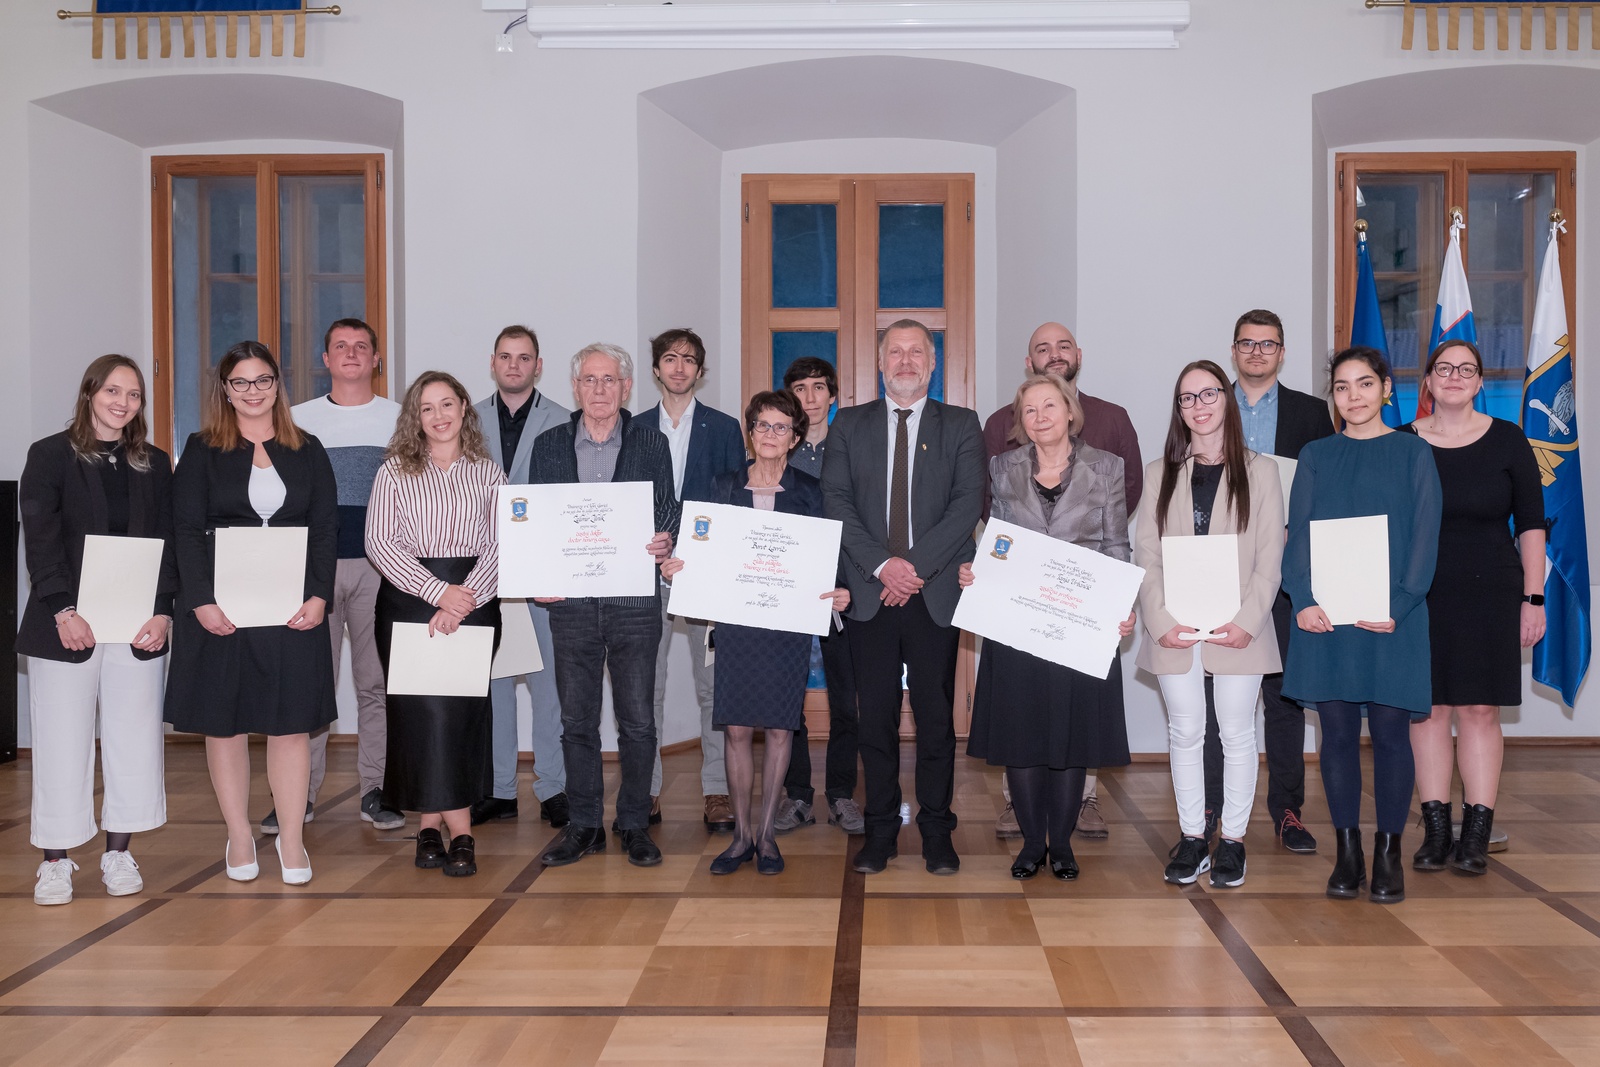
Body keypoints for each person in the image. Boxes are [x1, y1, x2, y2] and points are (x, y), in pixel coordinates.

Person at [165, 341, 338, 887]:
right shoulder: (201, 448)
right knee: (227, 724)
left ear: (277, 385)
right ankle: (240, 834)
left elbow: (326, 529)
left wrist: (319, 595)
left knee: (290, 726)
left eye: (262, 380)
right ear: (225, 390)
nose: (253, 392)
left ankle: (291, 839)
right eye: (241, 383)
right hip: (222, 611)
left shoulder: (308, 448)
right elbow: (185, 530)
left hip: (292, 609)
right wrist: (200, 602)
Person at [660, 391, 850, 875]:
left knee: (782, 728)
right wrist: (676, 567)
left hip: (787, 625)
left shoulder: (811, 491)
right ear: (750, 432)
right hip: (736, 624)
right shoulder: (721, 486)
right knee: (739, 727)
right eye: (762, 426)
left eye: (780, 427)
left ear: (794, 436)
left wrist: (839, 589)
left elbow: (828, 555)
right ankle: (740, 837)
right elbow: (695, 549)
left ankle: (767, 837)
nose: (770, 435)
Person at [822, 318, 985, 876]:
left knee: (937, 720)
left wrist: (911, 567)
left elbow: (967, 506)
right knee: (876, 721)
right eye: (897, 352)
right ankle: (881, 831)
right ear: (881, 362)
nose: (907, 361)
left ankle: (937, 830)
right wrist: (884, 566)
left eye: (918, 352)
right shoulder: (848, 424)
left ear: (933, 363)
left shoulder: (962, 425)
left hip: (933, 593)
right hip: (870, 594)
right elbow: (837, 502)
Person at [1282, 346, 1441, 905]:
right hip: (1327, 619)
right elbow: (1296, 533)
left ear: (1386, 390)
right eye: (1343, 387)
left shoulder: (1413, 454)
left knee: (1395, 735)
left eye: (1365, 384)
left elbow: (1425, 536)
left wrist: (1400, 602)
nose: (1354, 396)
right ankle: (1347, 852)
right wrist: (1301, 598)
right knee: (1339, 736)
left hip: (1395, 619)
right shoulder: (1316, 454)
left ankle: (1389, 852)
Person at [962, 374, 1134, 880]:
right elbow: (995, 539)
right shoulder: (1001, 467)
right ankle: (1031, 843)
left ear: (1070, 410)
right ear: (1021, 422)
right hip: (1018, 622)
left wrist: (1122, 606)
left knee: (1070, 737)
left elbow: (1117, 546)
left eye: (1049, 406)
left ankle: (1061, 844)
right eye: (1029, 410)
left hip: (1079, 624)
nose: (1040, 416)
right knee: (1023, 734)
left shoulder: (1107, 467)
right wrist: (978, 568)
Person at [20, 355, 175, 905]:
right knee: (62, 742)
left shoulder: (155, 463)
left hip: (136, 625)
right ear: (90, 394)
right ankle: (56, 863)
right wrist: (63, 609)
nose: (123, 403)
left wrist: (162, 611)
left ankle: (118, 853)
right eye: (113, 390)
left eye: (134, 395)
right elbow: (40, 539)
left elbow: (168, 543)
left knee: (134, 740)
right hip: (65, 623)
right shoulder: (49, 455)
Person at [1135, 361, 1285, 889]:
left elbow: (1271, 557)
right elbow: (1146, 555)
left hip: (1239, 627)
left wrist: (1247, 621)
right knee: (1185, 732)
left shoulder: (1261, 471)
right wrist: (1158, 621)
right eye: (1186, 399)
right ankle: (1194, 837)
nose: (1198, 406)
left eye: (1207, 394)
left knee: (1238, 733)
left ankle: (1234, 842)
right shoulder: (1160, 473)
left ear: (1227, 399)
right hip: (1175, 627)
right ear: (1178, 410)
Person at [531, 343, 679, 869]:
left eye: (609, 380)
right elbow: (537, 525)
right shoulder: (549, 445)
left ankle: (635, 822)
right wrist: (536, 578)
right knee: (576, 722)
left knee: (638, 721)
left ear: (626, 388)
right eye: (590, 380)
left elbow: (668, 510)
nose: (599, 390)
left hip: (634, 602)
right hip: (569, 605)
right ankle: (585, 824)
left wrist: (665, 539)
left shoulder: (650, 442)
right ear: (575, 387)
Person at [1401, 340, 1545, 876]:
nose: (1456, 377)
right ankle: (1436, 831)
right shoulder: (1403, 442)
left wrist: (1534, 598)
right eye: (1445, 369)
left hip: (1492, 591)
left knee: (1481, 710)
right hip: (1419, 595)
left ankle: (1476, 833)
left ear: (1481, 382)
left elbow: (1531, 524)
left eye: (1467, 369)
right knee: (1430, 708)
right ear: (1429, 383)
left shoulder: (1508, 440)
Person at [1199, 309, 1334, 855]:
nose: (1256, 353)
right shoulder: (1210, 405)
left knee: (1284, 698)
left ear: (1282, 352)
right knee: (1214, 699)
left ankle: (1287, 811)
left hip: (1284, 576)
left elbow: (1323, 491)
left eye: (1267, 344)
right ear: (1233, 350)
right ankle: (1207, 807)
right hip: (1217, 577)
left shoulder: (1311, 414)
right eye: (1246, 344)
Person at [366, 372, 505, 878]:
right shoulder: (394, 471)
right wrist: (437, 593)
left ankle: (443, 830)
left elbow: (501, 544)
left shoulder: (489, 474)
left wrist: (460, 602)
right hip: (408, 602)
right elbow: (380, 543)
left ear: (465, 408)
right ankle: (445, 831)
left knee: (459, 717)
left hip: (474, 601)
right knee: (419, 718)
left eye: (448, 404)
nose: (439, 416)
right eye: (427, 408)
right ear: (415, 417)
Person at [283, 318, 404, 836]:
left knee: (376, 684)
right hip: (315, 572)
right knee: (311, 686)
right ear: (326, 359)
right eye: (340, 347)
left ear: (376, 359)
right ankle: (297, 796)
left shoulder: (401, 419)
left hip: (383, 568)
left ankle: (376, 789)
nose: (351, 354)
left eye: (361, 347)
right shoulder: (296, 420)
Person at [635, 328, 747, 833]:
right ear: (656, 368)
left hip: (705, 577)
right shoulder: (633, 429)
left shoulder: (724, 430)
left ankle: (717, 791)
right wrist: (657, 549)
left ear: (701, 372)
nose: (679, 367)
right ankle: (648, 788)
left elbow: (732, 502)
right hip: (646, 572)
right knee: (646, 688)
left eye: (689, 360)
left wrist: (696, 554)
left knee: (714, 688)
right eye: (670, 358)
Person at [469, 325, 571, 830]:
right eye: (505, 357)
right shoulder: (467, 419)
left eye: (524, 357)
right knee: (495, 683)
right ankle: (499, 789)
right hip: (485, 568)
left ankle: (553, 787)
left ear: (538, 365)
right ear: (493, 363)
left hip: (544, 570)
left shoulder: (564, 420)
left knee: (549, 683)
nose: (514, 365)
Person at [774, 356, 864, 836]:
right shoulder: (776, 452)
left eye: (818, 388)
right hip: (787, 594)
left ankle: (843, 794)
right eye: (800, 387)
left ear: (832, 396)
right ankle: (798, 795)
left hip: (841, 595)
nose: (810, 396)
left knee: (846, 701)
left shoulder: (849, 449)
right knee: (789, 703)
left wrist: (850, 585)